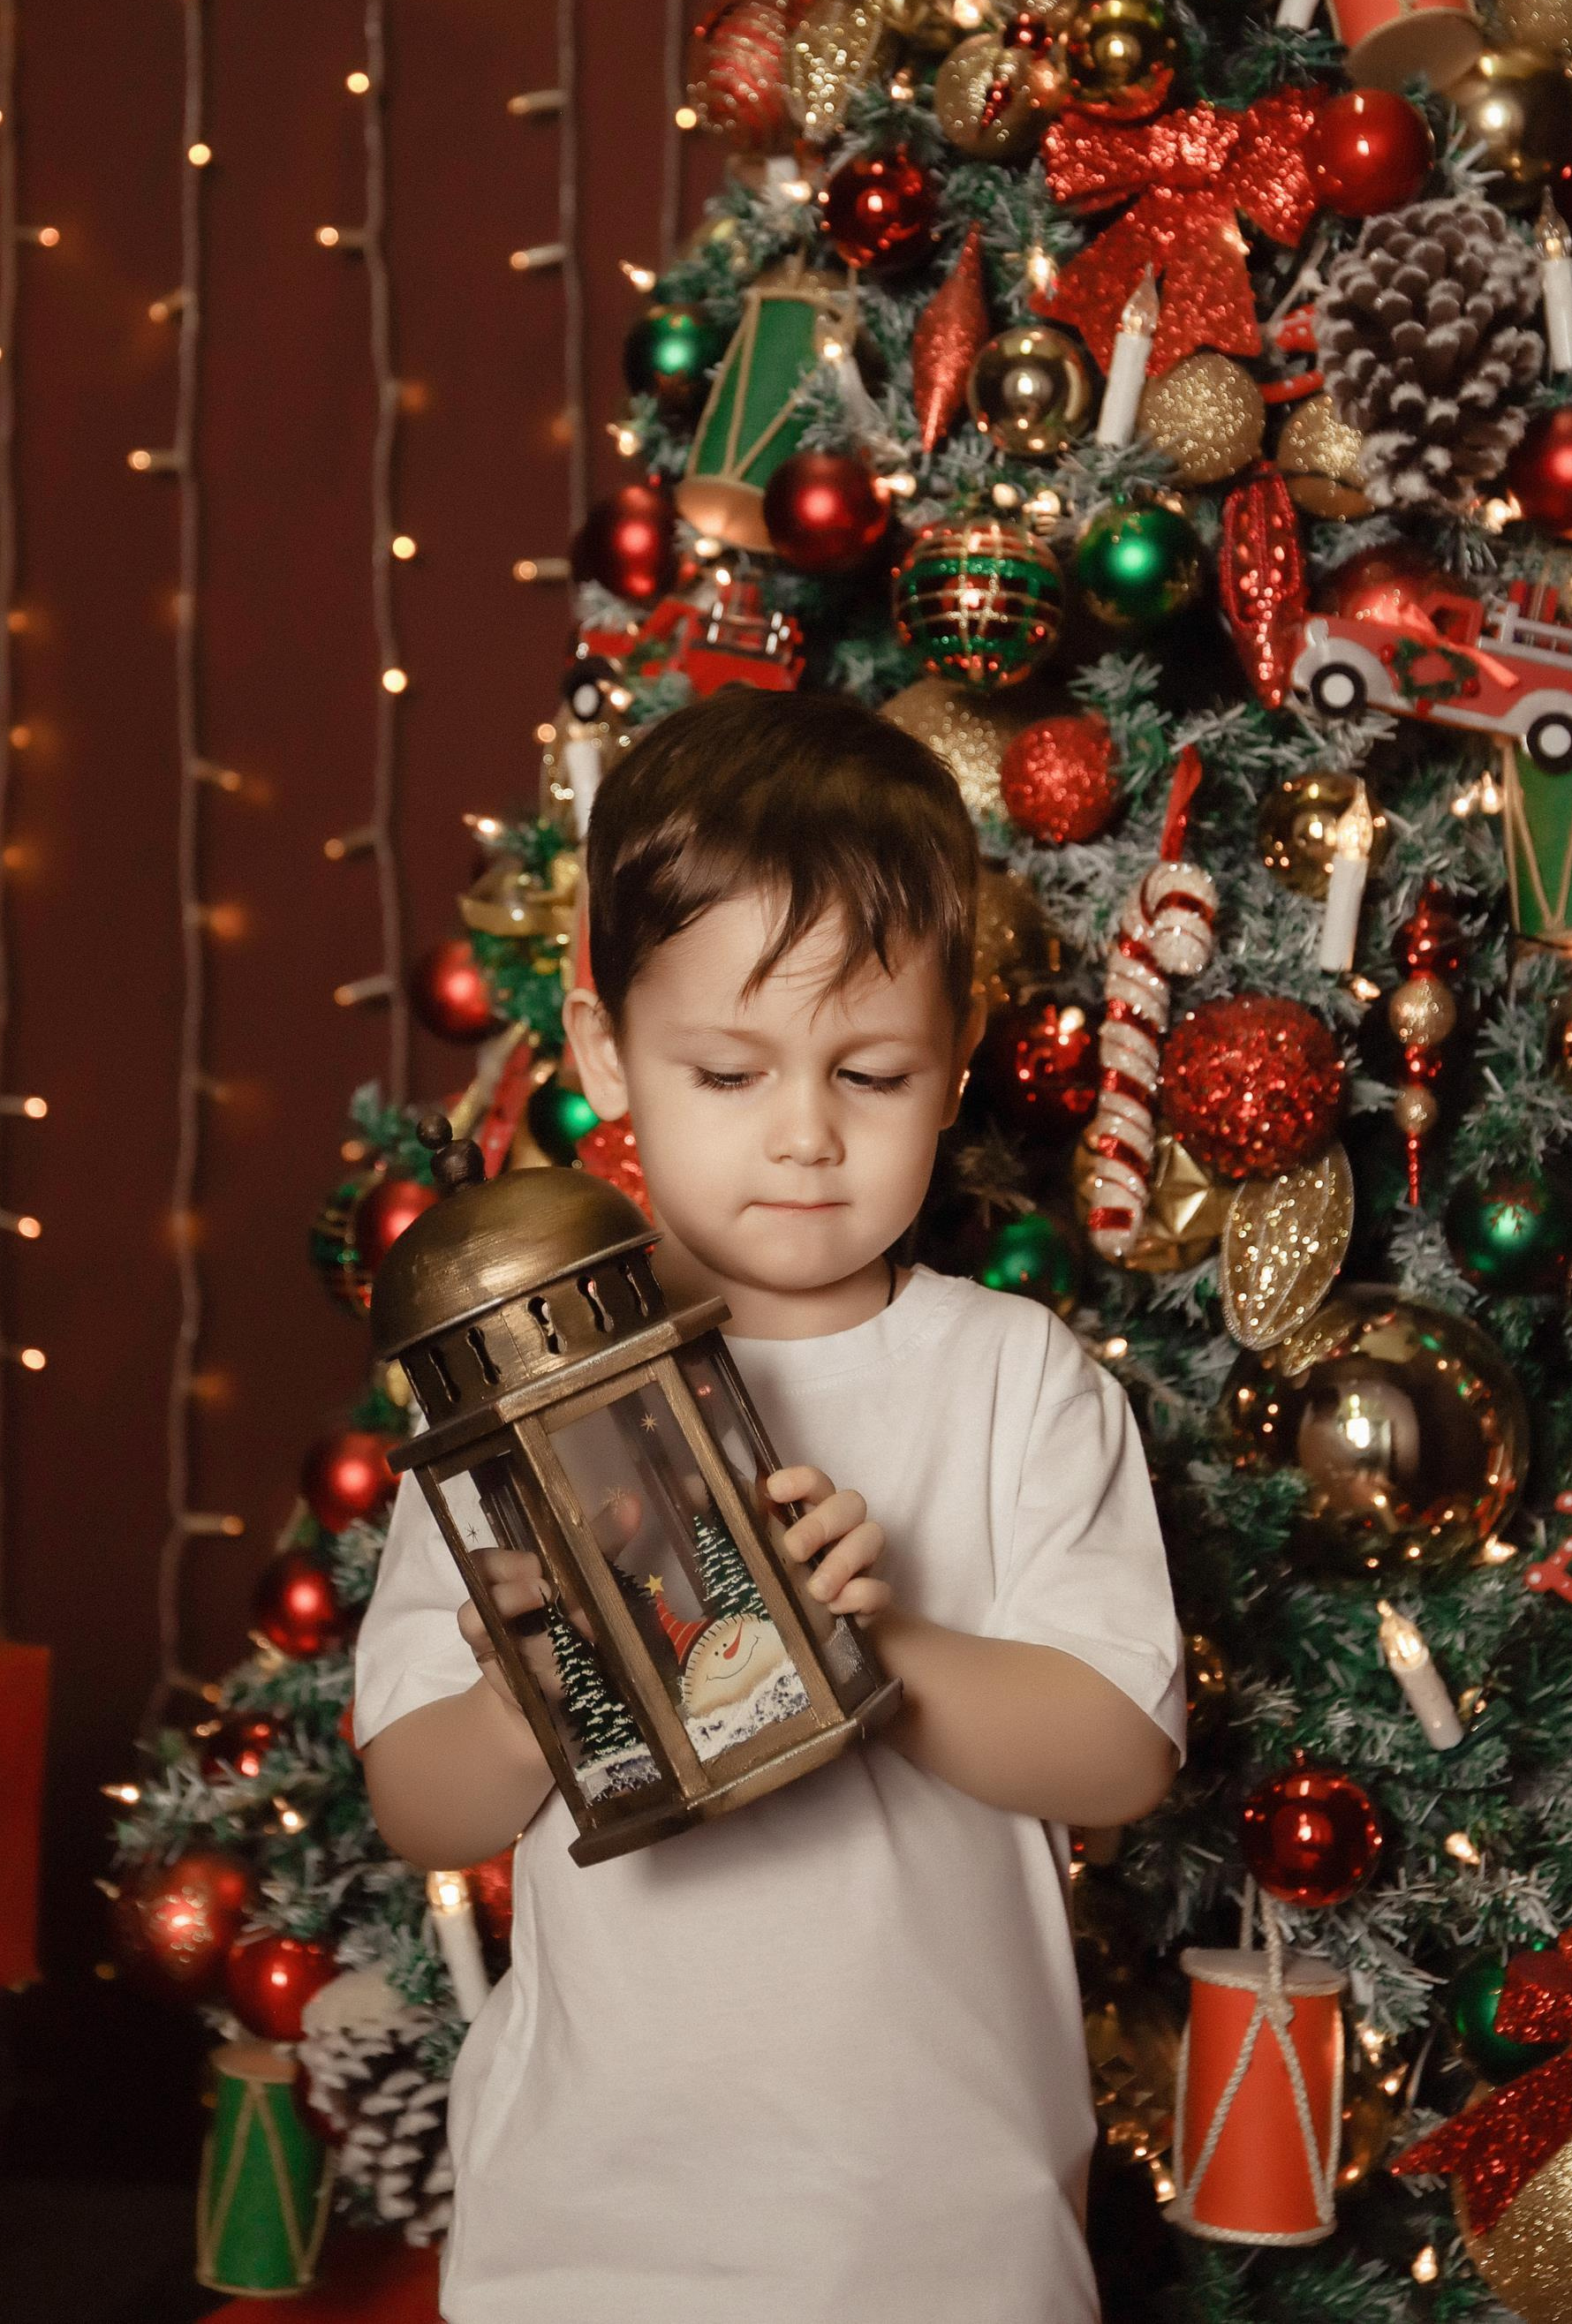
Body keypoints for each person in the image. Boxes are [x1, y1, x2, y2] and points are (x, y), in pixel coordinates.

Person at [355, 688, 1184, 2324]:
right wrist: (537, 1687)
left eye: (869, 1071)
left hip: (936, 2222)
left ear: (951, 1071)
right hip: (598, 2222)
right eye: (729, 1070)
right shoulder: (518, 1394)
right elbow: (417, 1805)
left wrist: (874, 1641)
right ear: (605, 1054)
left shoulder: (1015, 1379)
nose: (804, 1136)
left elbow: (1124, 1752)